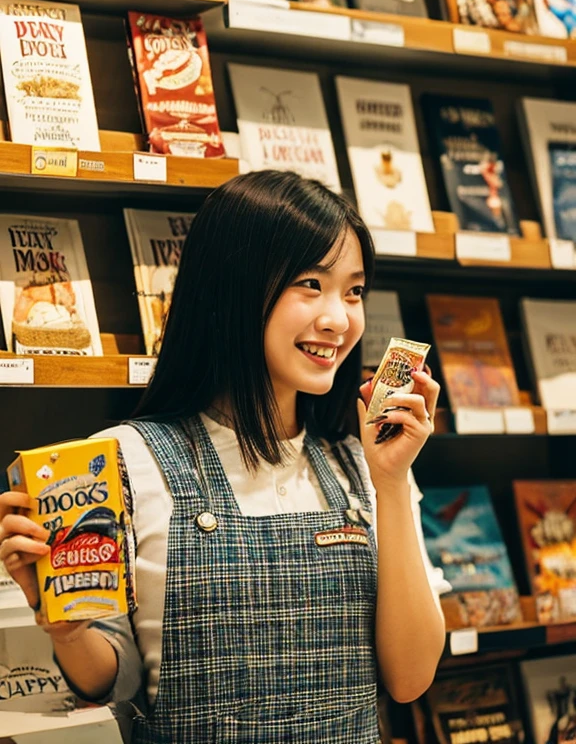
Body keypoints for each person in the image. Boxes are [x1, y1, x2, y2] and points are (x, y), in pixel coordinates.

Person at [0, 170, 448, 743]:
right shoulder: (121, 459)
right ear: (233, 288)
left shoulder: (367, 464)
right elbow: (116, 683)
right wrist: (66, 631)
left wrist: (390, 482)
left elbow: (410, 678)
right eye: (310, 283)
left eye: (353, 290)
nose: (339, 318)